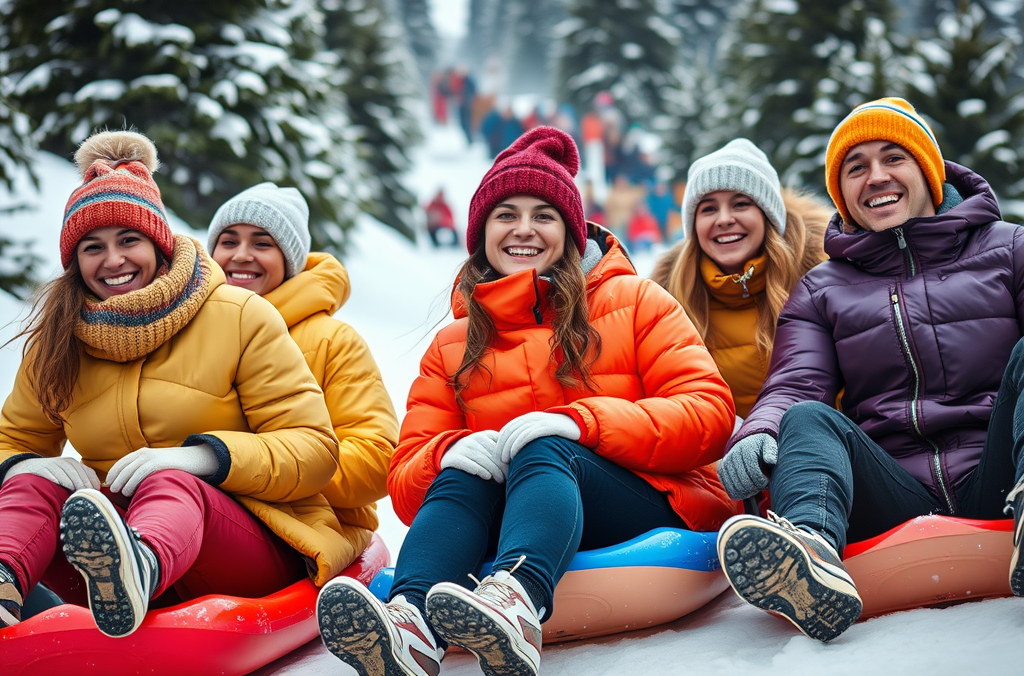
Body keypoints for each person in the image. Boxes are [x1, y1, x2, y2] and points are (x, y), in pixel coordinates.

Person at [316, 127, 738, 676]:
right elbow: (405, 476)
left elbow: (708, 413)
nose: (524, 229)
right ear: (482, 233)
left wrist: (582, 425)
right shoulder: (454, 344)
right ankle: (411, 622)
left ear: (568, 229)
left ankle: (516, 599)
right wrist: (447, 455)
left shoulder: (635, 301)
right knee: (466, 466)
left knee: (544, 445)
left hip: (649, 502)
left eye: (543, 215)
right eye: (505, 214)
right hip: (521, 513)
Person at [0, 131, 342, 637]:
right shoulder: (59, 339)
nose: (112, 260)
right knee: (33, 481)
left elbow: (315, 450)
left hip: (244, 545)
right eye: (93, 247)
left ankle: (137, 569)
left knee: (171, 481)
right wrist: (27, 462)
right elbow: (16, 438)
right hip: (106, 552)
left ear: (159, 244)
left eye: (128, 240)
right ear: (75, 263)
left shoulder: (240, 315)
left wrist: (200, 459)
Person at [714, 98, 1024, 643]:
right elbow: (795, 381)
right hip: (893, 489)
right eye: (856, 168)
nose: (876, 176)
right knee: (808, 417)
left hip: (998, 473)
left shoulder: (1009, 248)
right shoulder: (823, 288)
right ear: (844, 194)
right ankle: (810, 554)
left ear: (928, 171)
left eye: (892, 158)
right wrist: (760, 430)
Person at [207, 182, 399, 573]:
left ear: (290, 261)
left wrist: (261, 470)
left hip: (310, 527)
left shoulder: (331, 341)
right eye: (228, 241)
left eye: (262, 244)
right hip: (203, 512)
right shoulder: (193, 334)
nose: (241, 255)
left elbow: (378, 458)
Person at [650, 139, 831, 419]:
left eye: (740, 204)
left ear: (767, 214)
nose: (724, 219)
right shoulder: (667, 297)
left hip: (817, 448)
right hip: (719, 455)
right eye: (709, 208)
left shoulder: (821, 277)